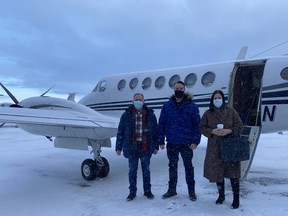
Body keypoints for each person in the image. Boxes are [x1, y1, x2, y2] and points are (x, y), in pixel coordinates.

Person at [199, 90, 243, 209]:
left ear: (223, 99)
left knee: (233, 173)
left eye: (219, 98)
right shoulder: (208, 113)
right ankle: (221, 196)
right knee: (218, 173)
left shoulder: (231, 112)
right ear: (212, 100)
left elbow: (240, 125)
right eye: (215, 98)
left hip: (230, 146)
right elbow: (202, 127)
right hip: (215, 147)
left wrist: (229, 131)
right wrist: (212, 131)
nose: (217, 100)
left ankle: (236, 198)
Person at [158, 81, 201, 201]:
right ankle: (172, 190)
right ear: (173, 89)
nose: (179, 90)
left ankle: (191, 191)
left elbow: (197, 125)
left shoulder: (192, 106)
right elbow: (162, 123)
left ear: (184, 90)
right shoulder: (167, 106)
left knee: (189, 167)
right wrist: (160, 140)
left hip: (186, 143)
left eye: (181, 88)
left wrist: (195, 141)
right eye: (177, 88)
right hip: (172, 142)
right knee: (172, 166)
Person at [115, 93, 159, 201]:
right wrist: (118, 147)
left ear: (144, 101)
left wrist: (156, 146)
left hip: (145, 147)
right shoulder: (126, 115)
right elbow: (120, 131)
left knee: (146, 171)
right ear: (132, 101)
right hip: (132, 147)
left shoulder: (150, 114)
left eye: (140, 99)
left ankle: (147, 191)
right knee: (132, 171)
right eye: (136, 99)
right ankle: (132, 192)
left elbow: (155, 132)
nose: (138, 101)